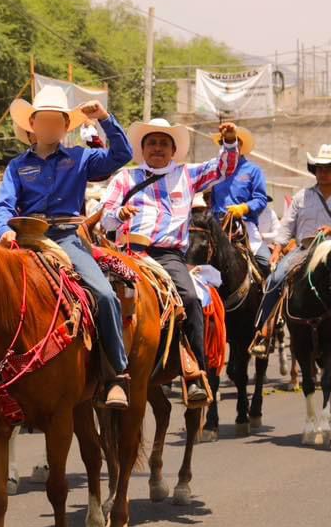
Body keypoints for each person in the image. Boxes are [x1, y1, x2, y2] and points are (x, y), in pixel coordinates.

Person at [0, 85, 132, 407]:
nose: (50, 127)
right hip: (24, 237)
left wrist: (105, 120)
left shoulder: (81, 157)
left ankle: (117, 374)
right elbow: (4, 205)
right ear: (34, 125)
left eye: (57, 122)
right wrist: (2, 229)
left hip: (66, 238)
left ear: (64, 127)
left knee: (106, 294)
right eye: (44, 121)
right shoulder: (17, 166)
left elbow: (121, 156)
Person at [99, 118, 242, 404]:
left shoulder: (187, 175)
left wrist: (228, 143)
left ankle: (195, 373)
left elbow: (223, 169)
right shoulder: (124, 178)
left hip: (167, 255)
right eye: (152, 142)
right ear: (142, 149)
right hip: (126, 252)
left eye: (164, 143)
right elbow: (106, 217)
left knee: (189, 298)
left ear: (173, 150)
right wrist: (119, 216)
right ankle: (102, 372)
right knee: (98, 297)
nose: (158, 148)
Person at [248, 144, 331, 357]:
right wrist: (277, 249)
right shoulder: (302, 196)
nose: (323, 172)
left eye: (328, 168)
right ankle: (263, 331)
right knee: (276, 278)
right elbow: (287, 226)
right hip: (304, 249)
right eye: (319, 168)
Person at [207, 126, 272, 267]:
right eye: (223, 142)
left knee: (266, 263)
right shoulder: (214, 170)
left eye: (233, 141)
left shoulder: (253, 170)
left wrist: (244, 208)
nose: (227, 145)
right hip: (216, 226)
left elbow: (261, 199)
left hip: (245, 227)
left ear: (240, 144)